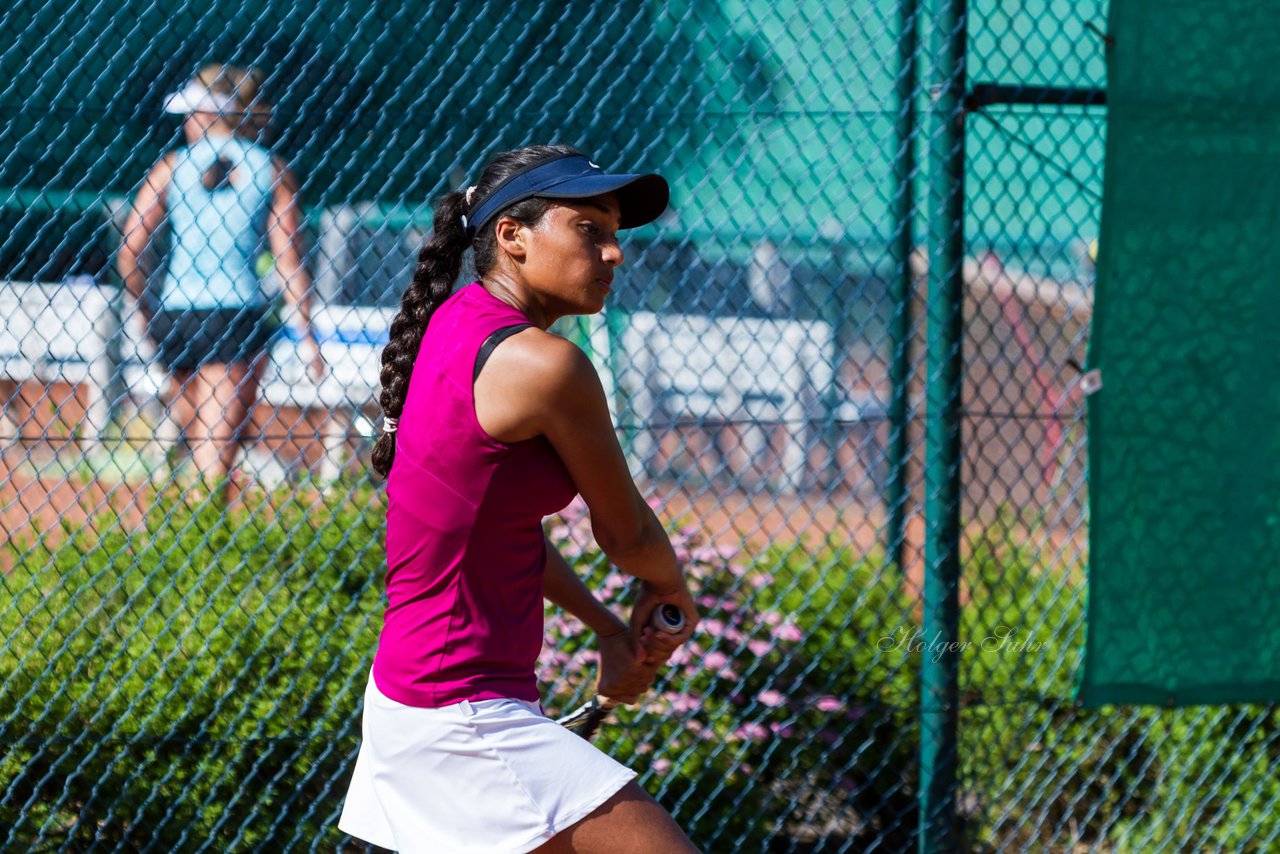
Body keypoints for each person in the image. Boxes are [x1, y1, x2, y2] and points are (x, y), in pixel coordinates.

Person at [338, 145, 701, 853]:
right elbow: (625, 535)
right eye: (588, 230)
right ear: (512, 237)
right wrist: (669, 587)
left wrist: (604, 626)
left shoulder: (452, 324)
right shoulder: (545, 365)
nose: (614, 254)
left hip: (421, 695)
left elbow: (493, 531)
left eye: (615, 233)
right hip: (459, 714)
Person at [117, 63, 324, 504]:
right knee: (216, 453)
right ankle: (206, 543)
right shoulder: (270, 168)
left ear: (210, 116)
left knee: (200, 438)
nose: (187, 124)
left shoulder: (173, 166)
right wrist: (307, 334)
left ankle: (198, 536)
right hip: (234, 313)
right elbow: (287, 257)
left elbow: (131, 247)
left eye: (192, 114)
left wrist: (143, 306)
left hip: (175, 313)